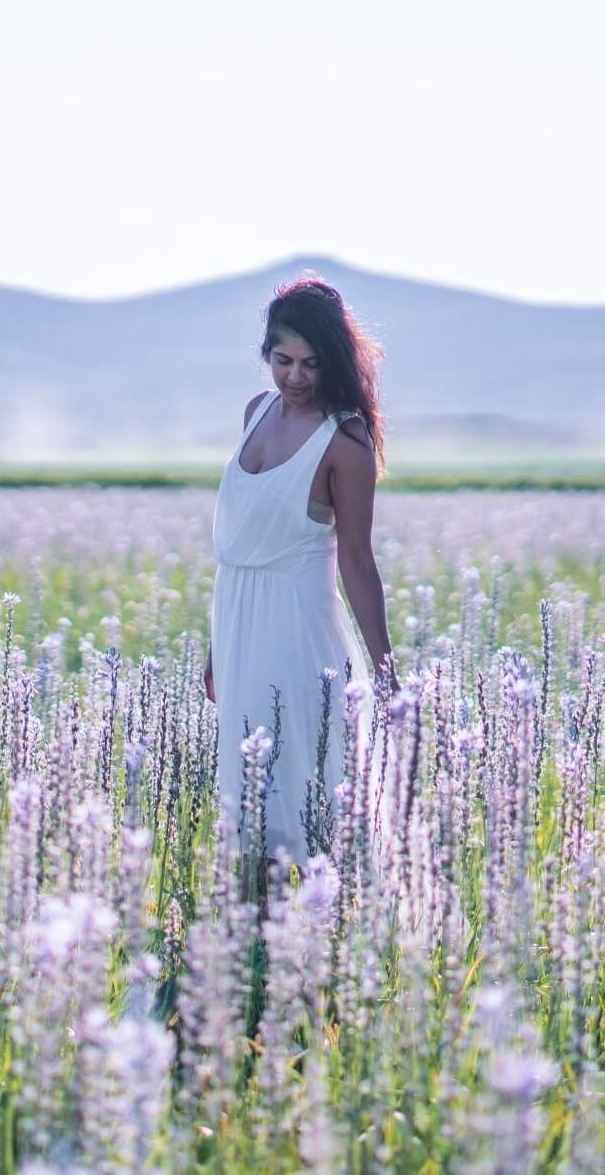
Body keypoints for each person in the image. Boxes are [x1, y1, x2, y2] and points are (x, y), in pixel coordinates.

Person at [206, 274, 396, 882]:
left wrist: (387, 672)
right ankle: (257, 941)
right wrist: (216, 647)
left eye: (311, 363)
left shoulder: (345, 440)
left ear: (333, 362)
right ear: (265, 356)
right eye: (283, 360)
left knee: (302, 781)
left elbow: (358, 561)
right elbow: (240, 545)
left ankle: (323, 931)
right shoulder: (254, 412)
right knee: (247, 785)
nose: (295, 377)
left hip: (296, 627)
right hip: (237, 618)